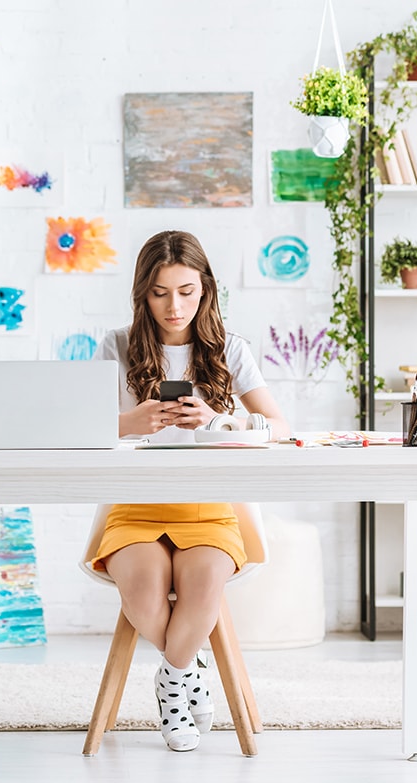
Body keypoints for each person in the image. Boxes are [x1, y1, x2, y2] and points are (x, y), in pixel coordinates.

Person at [92, 230, 289, 752]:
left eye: (186, 291)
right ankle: (189, 666)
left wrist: (219, 420)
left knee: (202, 590)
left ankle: (172, 678)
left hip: (208, 509)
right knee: (142, 592)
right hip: (135, 507)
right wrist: (128, 423)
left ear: (205, 290)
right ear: (142, 293)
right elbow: (75, 428)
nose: (174, 306)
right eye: (160, 293)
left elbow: (279, 427)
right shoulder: (115, 345)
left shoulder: (228, 349)